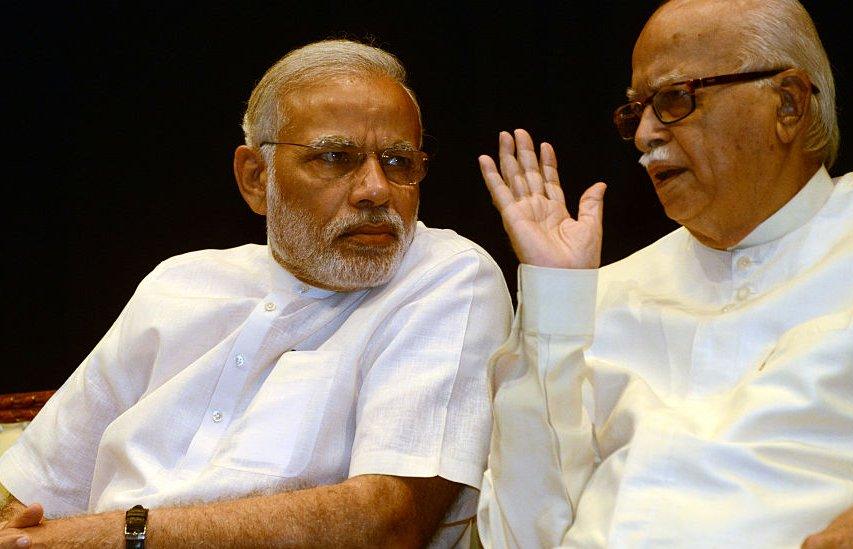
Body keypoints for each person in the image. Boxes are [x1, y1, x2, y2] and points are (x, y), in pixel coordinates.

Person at [475, 1, 853, 547]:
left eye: (675, 100)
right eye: (637, 111)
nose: (644, 136)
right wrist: (557, 308)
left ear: (789, 104)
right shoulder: (606, 293)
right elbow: (519, 533)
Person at [0, 39, 512, 548]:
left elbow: (385, 521)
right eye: (336, 157)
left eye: (399, 162)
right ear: (255, 176)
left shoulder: (447, 277)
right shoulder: (178, 283)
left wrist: (122, 535)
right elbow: (31, 491)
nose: (376, 188)